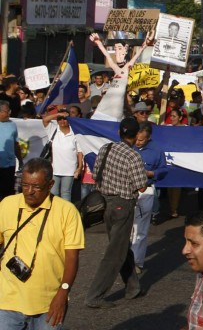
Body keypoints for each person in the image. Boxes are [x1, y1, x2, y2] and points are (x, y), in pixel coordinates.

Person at [0, 158, 84, 329]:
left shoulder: (67, 212)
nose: (29, 191)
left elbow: (72, 259)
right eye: (25, 185)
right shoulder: (7, 205)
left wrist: (63, 293)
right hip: (8, 302)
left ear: (51, 184)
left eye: (36, 187)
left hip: (49, 303)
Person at [85, 117, 147, 308]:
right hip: (123, 204)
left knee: (120, 246)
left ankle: (132, 287)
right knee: (115, 253)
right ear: (136, 136)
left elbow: (95, 175)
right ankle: (95, 295)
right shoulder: (133, 156)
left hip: (105, 203)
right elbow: (141, 186)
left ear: (120, 132)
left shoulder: (106, 149)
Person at [131, 122, 167, 273]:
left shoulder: (157, 150)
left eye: (141, 140)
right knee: (126, 228)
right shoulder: (127, 147)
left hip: (146, 191)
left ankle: (136, 263)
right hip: (126, 191)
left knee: (141, 229)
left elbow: (164, 169)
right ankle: (124, 258)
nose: (138, 142)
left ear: (148, 138)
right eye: (136, 139)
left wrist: (151, 173)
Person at [42, 109, 83, 202]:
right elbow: (45, 120)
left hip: (70, 170)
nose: (62, 121)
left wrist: (79, 167)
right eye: (59, 119)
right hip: (55, 169)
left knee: (66, 193)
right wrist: (58, 114)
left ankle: (66, 214)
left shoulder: (75, 133)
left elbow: (80, 152)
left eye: (65, 119)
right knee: (53, 192)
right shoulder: (53, 129)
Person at [0, 100, 23, 199]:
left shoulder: (13, 125)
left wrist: (20, 159)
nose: (10, 112)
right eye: (7, 111)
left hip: (10, 165)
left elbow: (15, 143)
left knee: (8, 193)